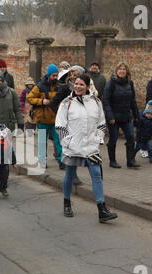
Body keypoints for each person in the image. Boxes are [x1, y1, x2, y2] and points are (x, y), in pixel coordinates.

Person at [55, 74, 117, 223]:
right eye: (76, 84)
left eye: (81, 84)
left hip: (91, 147)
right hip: (73, 147)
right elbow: (60, 125)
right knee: (69, 175)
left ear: (88, 87)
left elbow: (101, 123)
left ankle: (102, 209)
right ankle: (67, 203)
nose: (77, 87)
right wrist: (67, 142)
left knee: (96, 175)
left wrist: (98, 139)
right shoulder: (66, 103)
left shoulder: (96, 102)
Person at [103, 62, 140, 169]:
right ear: (116, 71)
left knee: (131, 137)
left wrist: (136, 115)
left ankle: (130, 161)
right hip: (114, 118)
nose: (122, 71)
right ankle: (112, 161)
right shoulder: (111, 83)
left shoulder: (130, 83)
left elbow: (133, 100)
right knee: (113, 139)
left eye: (124, 69)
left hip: (126, 116)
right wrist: (110, 116)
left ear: (127, 71)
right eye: (120, 69)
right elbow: (106, 101)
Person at [27, 64, 63, 170]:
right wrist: (42, 101)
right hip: (42, 119)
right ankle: (42, 161)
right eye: (53, 75)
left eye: (56, 75)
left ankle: (61, 161)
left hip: (56, 119)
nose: (55, 78)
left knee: (58, 142)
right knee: (42, 141)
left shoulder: (59, 86)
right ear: (48, 75)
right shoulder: (40, 86)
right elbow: (30, 98)